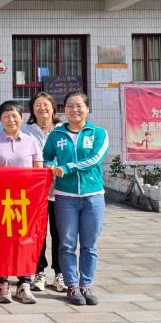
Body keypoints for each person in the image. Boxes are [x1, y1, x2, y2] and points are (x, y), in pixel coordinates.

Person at [43, 91, 109, 307]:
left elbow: (95, 158)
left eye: (79, 105)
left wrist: (67, 167)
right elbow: (46, 157)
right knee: (67, 244)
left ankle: (86, 285)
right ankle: (72, 285)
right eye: (70, 106)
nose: (74, 110)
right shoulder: (56, 134)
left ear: (87, 109)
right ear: (64, 110)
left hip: (93, 197)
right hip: (65, 197)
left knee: (90, 245)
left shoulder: (98, 133)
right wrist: (50, 166)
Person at [0, 100, 43, 305]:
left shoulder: (31, 141)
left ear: (22, 118)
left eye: (14, 116)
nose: (10, 119)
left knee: (24, 241)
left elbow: (38, 171)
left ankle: (24, 283)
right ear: (0, 119)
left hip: (25, 201)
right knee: (1, 241)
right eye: (6, 116)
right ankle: (2, 283)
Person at [24, 92, 62, 292]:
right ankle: (38, 272)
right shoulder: (26, 130)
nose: (42, 108)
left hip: (60, 191)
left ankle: (59, 273)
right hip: (35, 192)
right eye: (37, 105)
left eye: (46, 105)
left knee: (59, 233)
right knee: (37, 233)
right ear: (32, 109)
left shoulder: (63, 129)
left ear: (53, 107)